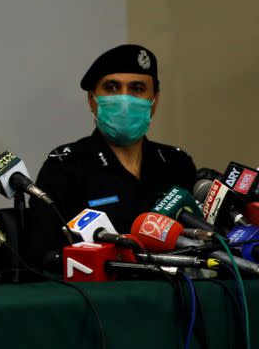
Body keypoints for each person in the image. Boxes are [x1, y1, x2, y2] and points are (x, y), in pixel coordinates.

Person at [28, 44, 196, 262]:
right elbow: (43, 254)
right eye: (112, 88)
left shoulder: (177, 164)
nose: (125, 101)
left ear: (154, 102)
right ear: (92, 100)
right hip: (99, 293)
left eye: (137, 89)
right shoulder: (66, 166)